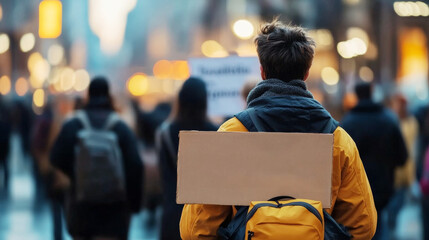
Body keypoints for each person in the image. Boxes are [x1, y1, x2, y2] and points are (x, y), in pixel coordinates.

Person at [180, 20, 377, 240]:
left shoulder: (232, 132)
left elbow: (196, 228)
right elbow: (363, 225)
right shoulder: (337, 139)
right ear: (306, 73)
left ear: (262, 71)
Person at [50, 77, 143, 240]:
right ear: (109, 95)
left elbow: (55, 156)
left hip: (81, 211)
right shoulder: (121, 128)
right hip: (114, 215)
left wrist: (77, 173)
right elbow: (135, 166)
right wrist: (133, 205)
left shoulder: (73, 125)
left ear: (88, 95)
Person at [341, 82, 407, 239]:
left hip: (356, 190)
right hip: (383, 187)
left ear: (357, 95)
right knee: (381, 227)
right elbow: (402, 157)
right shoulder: (389, 120)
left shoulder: (347, 123)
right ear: (372, 93)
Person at [156, 77, 217, 240]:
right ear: (204, 101)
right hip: (205, 216)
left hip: (173, 213)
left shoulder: (165, 132)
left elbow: (163, 175)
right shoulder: (216, 133)